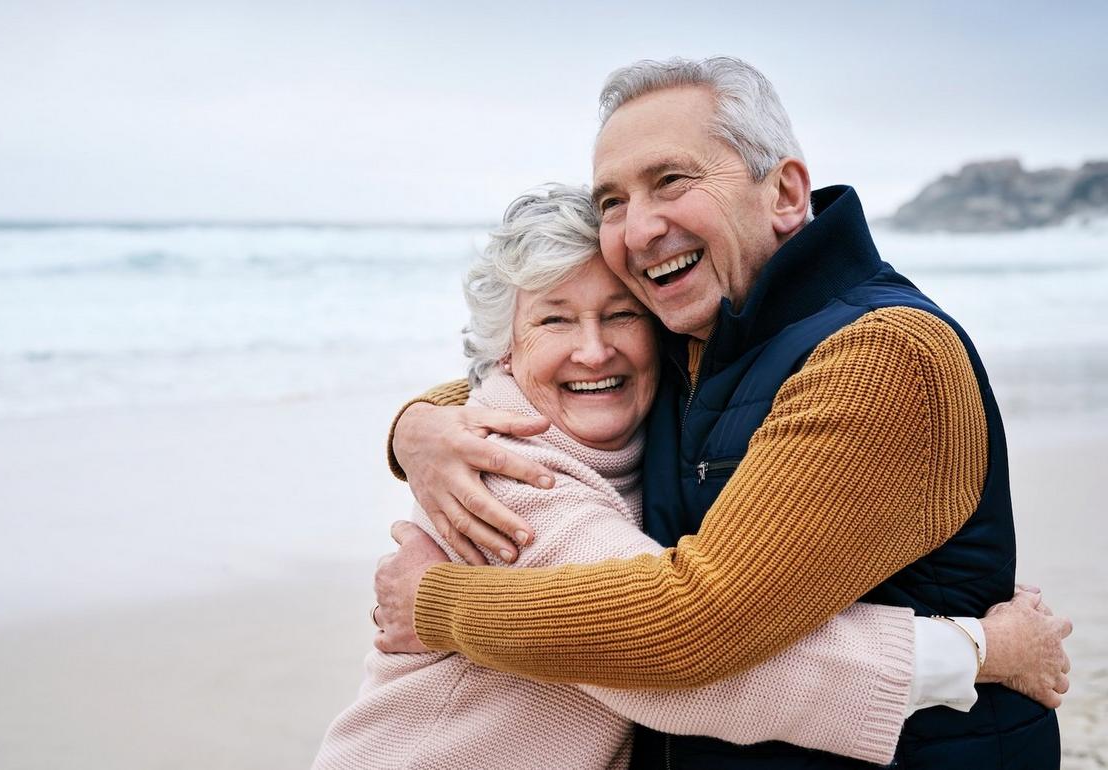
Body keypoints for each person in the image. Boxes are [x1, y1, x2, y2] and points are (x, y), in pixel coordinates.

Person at [376, 58, 1072, 768]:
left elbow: (693, 626)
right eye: (612, 200)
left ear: (785, 193)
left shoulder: (882, 357)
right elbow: (553, 373)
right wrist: (421, 426)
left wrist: (438, 606)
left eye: (671, 180)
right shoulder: (697, 341)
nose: (640, 227)